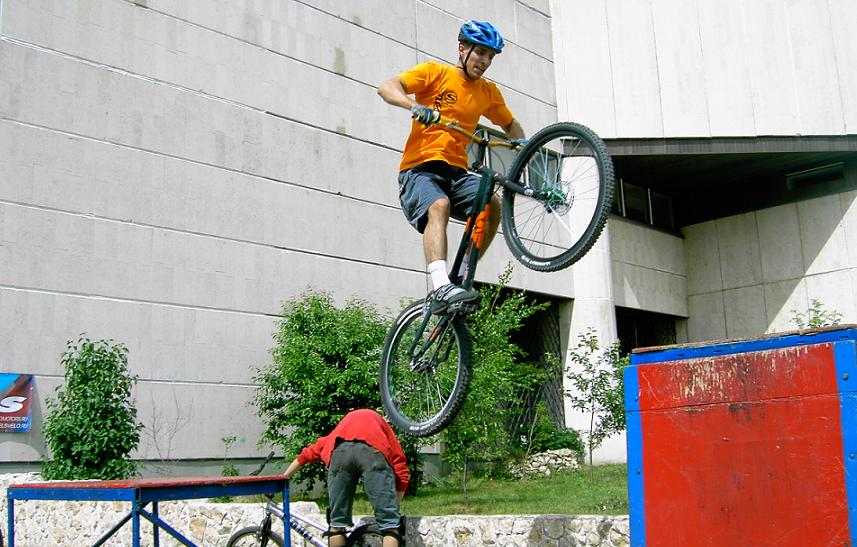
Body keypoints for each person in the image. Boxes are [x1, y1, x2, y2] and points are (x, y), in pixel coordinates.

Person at [378, 20, 525, 314]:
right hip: (419, 169)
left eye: (490, 56)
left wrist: (522, 144)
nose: (485, 61)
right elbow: (387, 88)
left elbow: (510, 125)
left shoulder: (487, 92)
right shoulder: (435, 73)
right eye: (480, 52)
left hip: (457, 173)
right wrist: (414, 106)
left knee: (492, 203)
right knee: (439, 205)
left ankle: (461, 276)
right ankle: (440, 284)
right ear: (462, 49)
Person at [282, 409, 409, 547]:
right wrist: (392, 507)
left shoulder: (339, 431)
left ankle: (337, 526)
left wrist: (284, 477)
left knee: (337, 524)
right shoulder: (382, 426)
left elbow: (305, 456)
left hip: (339, 451)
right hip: (372, 450)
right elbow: (401, 468)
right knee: (390, 526)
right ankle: (390, 529)